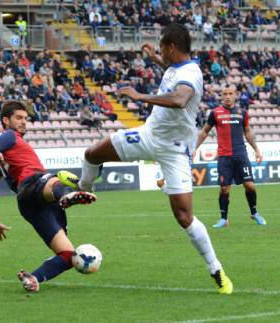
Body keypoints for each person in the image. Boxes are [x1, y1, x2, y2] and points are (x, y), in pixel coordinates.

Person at [59, 23, 233, 294]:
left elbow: (179, 98)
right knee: (92, 154)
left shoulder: (190, 73)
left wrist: (140, 96)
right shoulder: (177, 66)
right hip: (149, 136)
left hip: (175, 150)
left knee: (184, 216)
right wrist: (154, 57)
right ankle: (84, 189)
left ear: (172, 47)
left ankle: (216, 269)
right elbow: (171, 75)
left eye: (163, 49)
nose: (161, 54)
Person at [0, 100, 96, 293]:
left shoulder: (6, 156)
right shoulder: (10, 136)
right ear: (6, 120)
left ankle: (33, 278)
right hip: (34, 185)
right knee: (51, 179)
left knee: (68, 256)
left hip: (30, 204)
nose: (24, 122)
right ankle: (67, 194)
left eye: (26, 118)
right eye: (18, 118)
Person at [193, 84, 267, 229]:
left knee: (250, 185)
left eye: (230, 93)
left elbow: (248, 132)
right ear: (221, 95)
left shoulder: (243, 112)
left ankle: (254, 212)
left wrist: (257, 150)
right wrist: (195, 148)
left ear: (235, 94)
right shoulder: (215, 113)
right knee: (224, 189)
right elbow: (204, 132)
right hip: (224, 157)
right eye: (225, 94)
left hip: (241, 154)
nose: (227, 96)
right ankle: (223, 218)